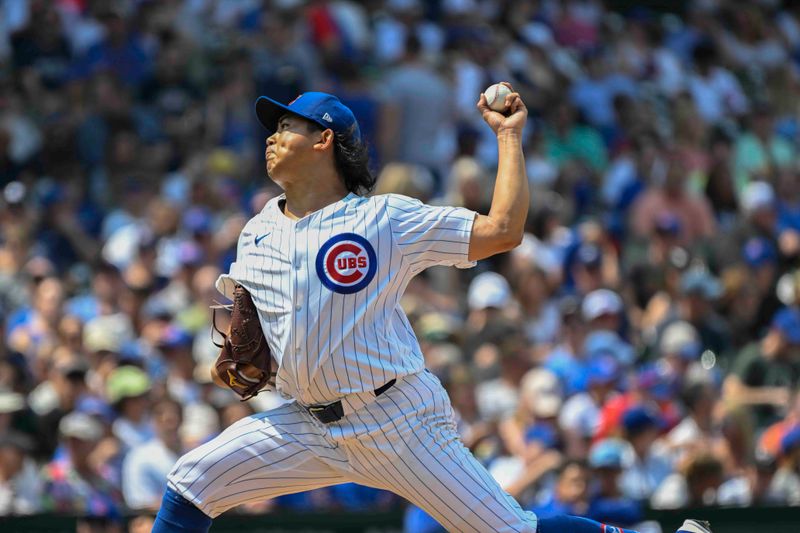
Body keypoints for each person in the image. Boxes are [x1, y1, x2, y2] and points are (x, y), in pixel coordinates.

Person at [152, 86, 641, 533]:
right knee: (190, 484)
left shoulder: (382, 219)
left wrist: (509, 137)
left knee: (513, 532)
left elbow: (504, 230)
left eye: (286, 127)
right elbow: (252, 324)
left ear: (324, 139)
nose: (272, 138)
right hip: (308, 424)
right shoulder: (256, 230)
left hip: (397, 419)